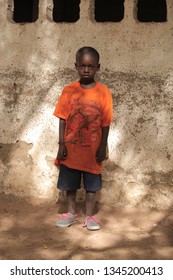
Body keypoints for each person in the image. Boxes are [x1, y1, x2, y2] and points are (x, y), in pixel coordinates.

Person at [53, 46, 113, 230]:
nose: (86, 70)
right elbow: (63, 118)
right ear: (76, 66)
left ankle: (89, 216)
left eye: (91, 66)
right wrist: (61, 143)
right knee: (70, 183)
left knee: (92, 185)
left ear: (98, 67)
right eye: (82, 66)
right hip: (71, 148)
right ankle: (70, 213)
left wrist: (103, 146)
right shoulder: (69, 90)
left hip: (92, 149)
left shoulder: (103, 93)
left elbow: (105, 123)